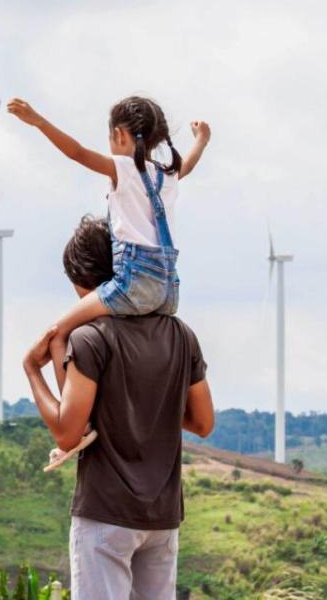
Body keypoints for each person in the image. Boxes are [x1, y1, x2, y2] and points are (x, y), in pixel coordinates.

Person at [8, 95, 211, 464]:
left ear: (119, 134)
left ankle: (77, 424)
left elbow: (75, 152)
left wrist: (38, 120)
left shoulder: (122, 170)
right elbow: (190, 164)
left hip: (132, 284)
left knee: (58, 334)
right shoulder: (167, 175)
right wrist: (201, 139)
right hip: (167, 291)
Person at [23, 216, 214, 599]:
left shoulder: (89, 339)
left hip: (106, 515)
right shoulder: (181, 335)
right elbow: (203, 422)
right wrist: (146, 403)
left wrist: (32, 371)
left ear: (82, 279)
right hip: (162, 519)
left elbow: (67, 432)